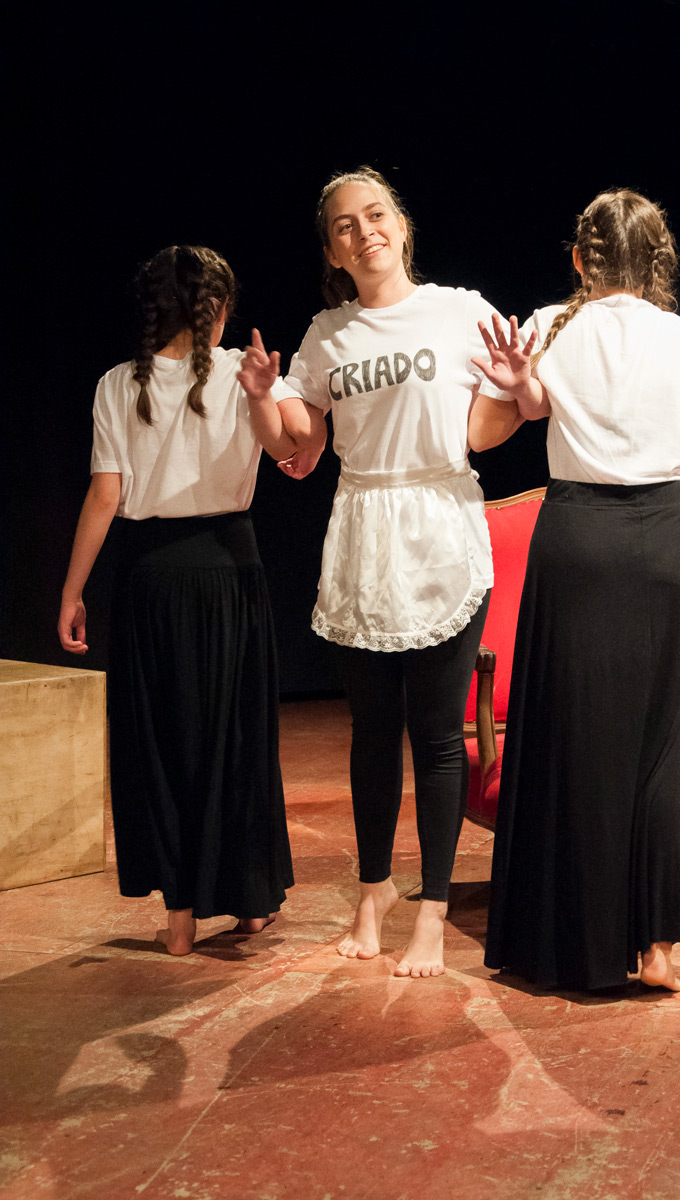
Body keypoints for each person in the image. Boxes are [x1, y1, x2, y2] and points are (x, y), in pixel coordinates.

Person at [238, 167, 508, 978]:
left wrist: (513, 396)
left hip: (439, 521)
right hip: (363, 526)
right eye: (345, 225)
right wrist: (261, 398)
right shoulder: (328, 334)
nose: (365, 232)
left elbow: (492, 422)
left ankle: (432, 910)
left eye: (376, 214)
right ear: (332, 250)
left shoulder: (458, 310)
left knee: (436, 734)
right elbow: (295, 447)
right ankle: (373, 890)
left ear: (402, 225)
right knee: (371, 730)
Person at [470, 189, 680, 992]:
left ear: (580, 259)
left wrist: (520, 390)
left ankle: (576, 947)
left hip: (578, 541)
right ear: (657, 259)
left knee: (575, 738)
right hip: (664, 544)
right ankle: (654, 947)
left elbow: (485, 433)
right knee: (663, 746)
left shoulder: (548, 325)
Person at [58, 245, 297, 956]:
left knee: (161, 744)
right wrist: (263, 395)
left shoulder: (116, 383)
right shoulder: (244, 374)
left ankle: (179, 920)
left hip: (148, 578)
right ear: (219, 310)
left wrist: (72, 590)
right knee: (233, 739)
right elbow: (286, 454)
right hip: (227, 572)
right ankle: (249, 904)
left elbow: (106, 495)